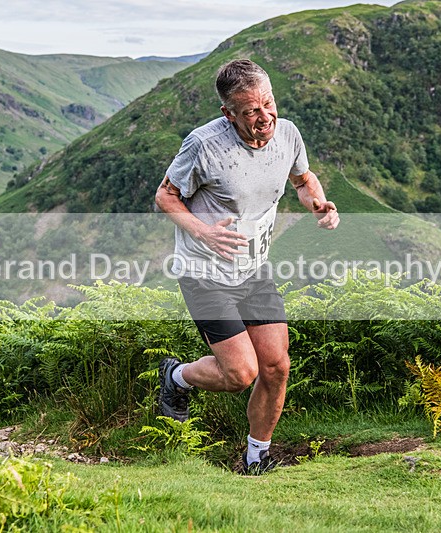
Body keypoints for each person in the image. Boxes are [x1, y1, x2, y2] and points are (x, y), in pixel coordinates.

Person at [154, 59, 339, 475]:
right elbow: (165, 197)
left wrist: (318, 205)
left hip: (254, 269)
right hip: (206, 273)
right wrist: (204, 232)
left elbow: (303, 179)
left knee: (276, 366)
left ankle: (257, 457)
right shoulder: (203, 145)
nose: (264, 117)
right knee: (240, 373)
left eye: (268, 104)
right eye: (251, 111)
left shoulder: (287, 133)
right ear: (229, 113)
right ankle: (177, 376)